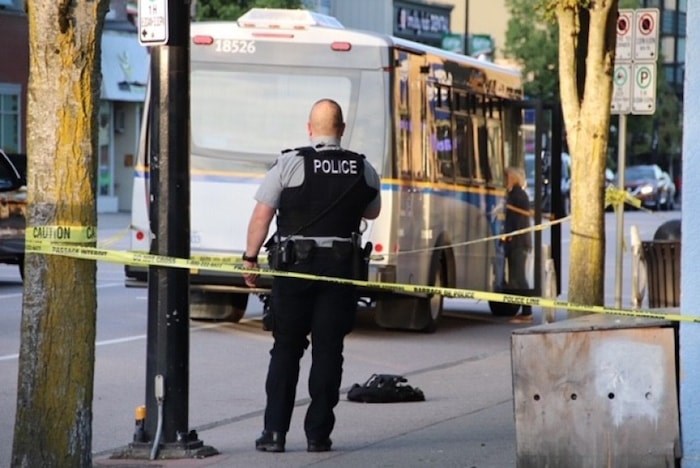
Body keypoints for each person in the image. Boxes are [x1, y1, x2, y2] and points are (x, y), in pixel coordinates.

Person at [242, 98, 381, 453]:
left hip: (295, 270)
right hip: (340, 273)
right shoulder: (362, 168)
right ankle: (318, 435)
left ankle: (274, 434)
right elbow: (373, 210)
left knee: (286, 349)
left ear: (309, 128)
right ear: (342, 130)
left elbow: (262, 216)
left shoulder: (290, 163)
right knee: (328, 352)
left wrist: (250, 259)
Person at [503, 166, 533, 323]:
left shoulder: (517, 195)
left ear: (512, 178)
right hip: (518, 241)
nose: (505, 180)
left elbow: (517, 219)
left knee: (520, 277)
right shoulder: (516, 194)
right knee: (516, 277)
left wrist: (508, 236)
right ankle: (523, 310)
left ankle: (527, 312)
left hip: (519, 242)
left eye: (507, 177)